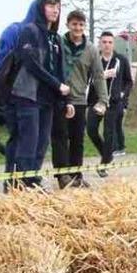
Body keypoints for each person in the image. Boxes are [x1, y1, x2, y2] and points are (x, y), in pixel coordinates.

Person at [5, 0, 71, 191]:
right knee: (26, 142)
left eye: (58, 7)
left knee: (41, 145)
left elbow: (60, 71)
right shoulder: (30, 31)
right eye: (50, 5)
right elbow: (30, 63)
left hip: (47, 100)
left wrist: (65, 99)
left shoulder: (56, 39)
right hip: (26, 96)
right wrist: (56, 84)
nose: (55, 10)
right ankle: (18, 184)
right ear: (40, 8)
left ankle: (31, 182)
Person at [51, 11, 108, 189]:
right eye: (74, 24)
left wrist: (103, 100)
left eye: (81, 25)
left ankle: (76, 175)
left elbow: (98, 76)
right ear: (68, 25)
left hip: (79, 100)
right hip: (59, 98)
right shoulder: (58, 43)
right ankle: (62, 175)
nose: (78, 28)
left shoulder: (90, 49)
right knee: (60, 137)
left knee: (77, 140)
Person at [86, 31, 132, 177]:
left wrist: (123, 96)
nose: (107, 45)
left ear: (113, 44)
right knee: (91, 129)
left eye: (110, 42)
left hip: (114, 103)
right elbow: (87, 80)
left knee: (109, 132)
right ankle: (107, 154)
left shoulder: (121, 60)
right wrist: (102, 76)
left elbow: (129, 81)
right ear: (100, 43)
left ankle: (104, 164)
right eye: (104, 42)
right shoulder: (94, 59)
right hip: (97, 101)